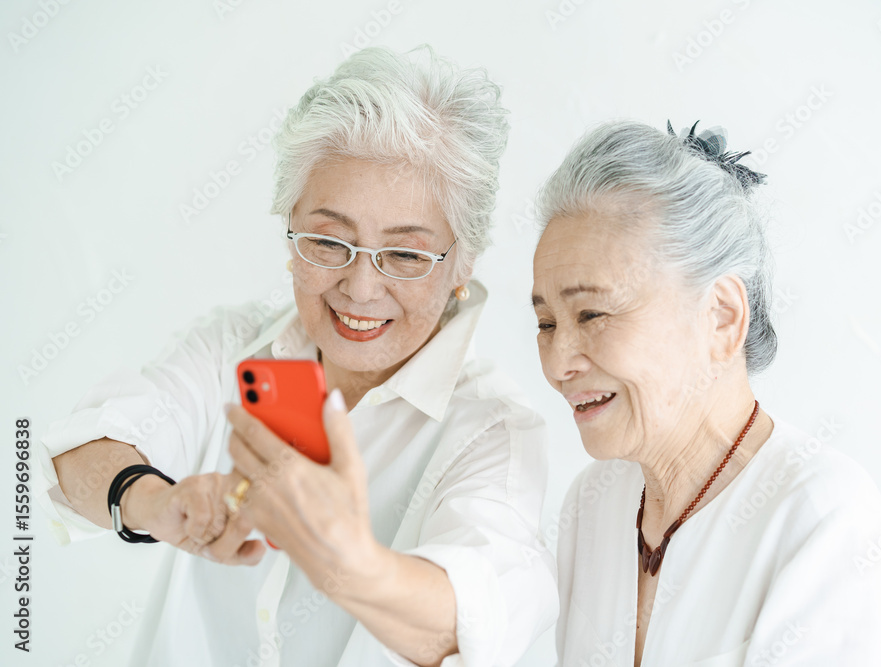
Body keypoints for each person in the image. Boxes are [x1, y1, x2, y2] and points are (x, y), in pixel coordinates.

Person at [37, 45, 557, 667]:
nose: (361, 288)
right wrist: (160, 505)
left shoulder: (492, 431)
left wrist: (348, 560)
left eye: (405, 255)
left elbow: (469, 624)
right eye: (329, 241)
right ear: (290, 230)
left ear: (463, 264)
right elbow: (76, 452)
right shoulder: (233, 348)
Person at [530, 120, 881, 665]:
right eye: (546, 323)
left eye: (592, 314)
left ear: (721, 317)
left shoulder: (823, 519)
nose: (558, 363)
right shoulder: (592, 503)